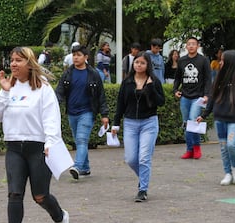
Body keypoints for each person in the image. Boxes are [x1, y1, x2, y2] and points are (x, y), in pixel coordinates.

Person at [0, 47, 69, 223]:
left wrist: (51, 143)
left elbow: (52, 118)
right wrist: (4, 92)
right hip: (14, 147)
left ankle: (60, 217)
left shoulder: (42, 88)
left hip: (38, 148)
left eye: (19, 60)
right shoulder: (9, 87)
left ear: (30, 63)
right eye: (12, 60)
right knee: (14, 193)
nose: (13, 64)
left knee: (40, 196)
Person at [112, 52, 165, 202]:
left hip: (149, 122)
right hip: (130, 123)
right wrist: (116, 123)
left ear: (148, 65)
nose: (139, 65)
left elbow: (161, 102)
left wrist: (150, 89)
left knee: (144, 158)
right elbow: (120, 104)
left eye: (142, 63)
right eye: (136, 62)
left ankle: (143, 190)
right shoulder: (127, 81)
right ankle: (144, 178)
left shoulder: (154, 81)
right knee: (130, 159)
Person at [197, 50, 235, 185]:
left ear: (230, 62)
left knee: (231, 145)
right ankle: (227, 173)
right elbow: (212, 98)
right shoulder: (218, 77)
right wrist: (204, 115)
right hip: (219, 117)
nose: (220, 62)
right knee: (223, 147)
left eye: (223, 60)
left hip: (234, 118)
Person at [56, 45, 109, 180]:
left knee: (81, 139)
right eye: (74, 55)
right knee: (78, 140)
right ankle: (85, 168)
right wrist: (53, 106)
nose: (75, 58)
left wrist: (104, 115)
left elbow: (100, 95)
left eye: (79, 55)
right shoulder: (68, 73)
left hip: (87, 112)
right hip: (72, 112)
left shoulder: (93, 74)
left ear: (86, 57)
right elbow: (59, 92)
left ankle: (78, 166)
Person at [173, 37, 211, 159]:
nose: (191, 46)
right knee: (186, 123)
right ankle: (189, 149)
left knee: (193, 120)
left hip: (198, 97)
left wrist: (206, 95)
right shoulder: (182, 60)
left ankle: (197, 147)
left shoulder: (203, 60)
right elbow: (177, 77)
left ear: (198, 46)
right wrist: (175, 90)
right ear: (186, 46)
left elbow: (207, 79)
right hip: (185, 96)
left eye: (193, 44)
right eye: (189, 44)